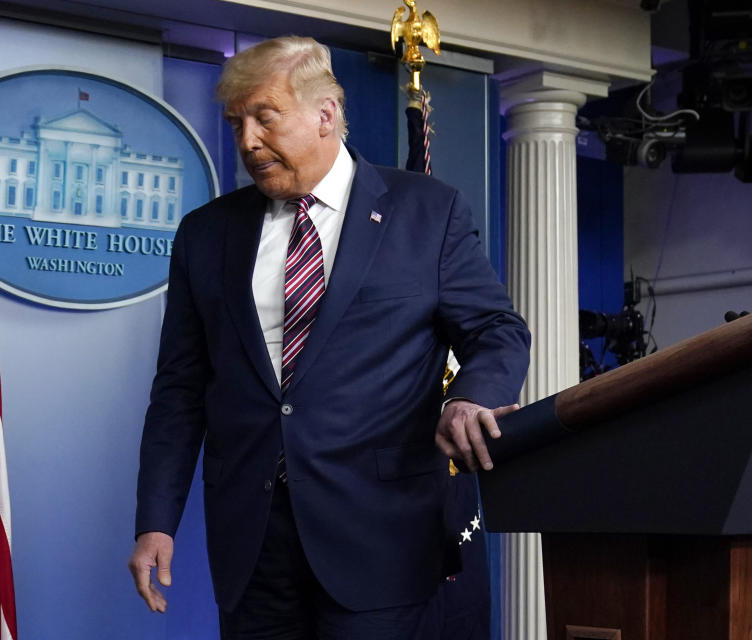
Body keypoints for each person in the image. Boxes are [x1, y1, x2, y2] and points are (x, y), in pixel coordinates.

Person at [128, 36, 530, 639]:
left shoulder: (428, 211)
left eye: (265, 118)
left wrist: (470, 395)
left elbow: (497, 329)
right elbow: (181, 389)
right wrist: (155, 520)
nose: (247, 142)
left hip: (383, 538)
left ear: (325, 114)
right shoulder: (204, 234)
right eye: (237, 123)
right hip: (252, 545)